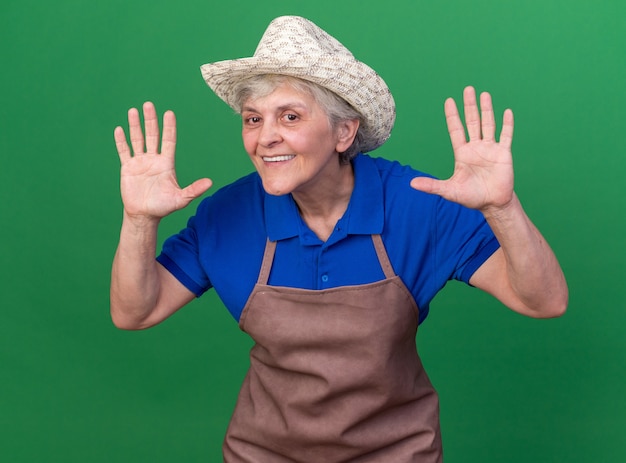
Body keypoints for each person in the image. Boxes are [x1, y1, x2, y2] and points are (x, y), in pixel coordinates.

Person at [111, 15, 568, 462]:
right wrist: (138, 220)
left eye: (289, 116)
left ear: (343, 132)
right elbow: (136, 312)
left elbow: (543, 301)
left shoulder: (418, 205)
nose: (266, 137)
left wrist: (501, 209)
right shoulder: (226, 215)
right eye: (253, 119)